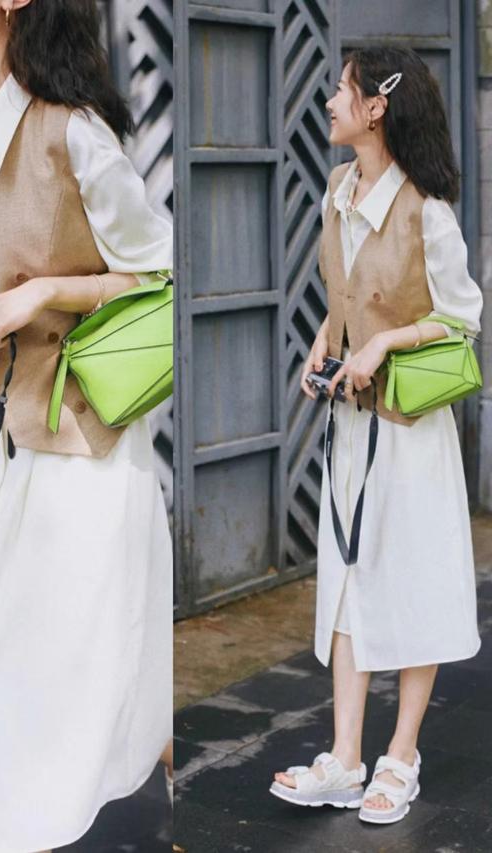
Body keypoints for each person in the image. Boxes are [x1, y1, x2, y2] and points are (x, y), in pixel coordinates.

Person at [0, 2, 173, 851]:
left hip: (79, 455)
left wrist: (42, 294)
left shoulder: (70, 132)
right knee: (4, 696)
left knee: (45, 707)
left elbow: (159, 274)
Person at [269, 46, 483, 825]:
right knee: (348, 583)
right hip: (351, 426)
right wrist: (323, 345)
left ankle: (401, 756)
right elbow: (344, 292)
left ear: (377, 106)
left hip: (410, 432)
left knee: (412, 581)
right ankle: (346, 757)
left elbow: (462, 318)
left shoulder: (427, 210)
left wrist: (386, 341)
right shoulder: (338, 190)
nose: (330, 100)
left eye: (341, 88)